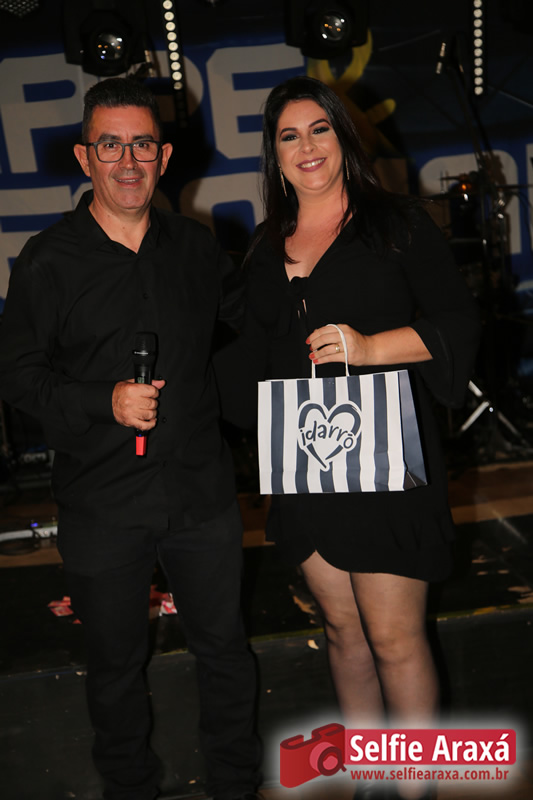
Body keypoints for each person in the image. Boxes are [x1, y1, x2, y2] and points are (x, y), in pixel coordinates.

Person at [0, 78, 261, 800]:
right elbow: (16, 374)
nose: (127, 160)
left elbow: (248, 327)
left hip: (201, 494)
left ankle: (236, 786)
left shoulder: (197, 248)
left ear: (164, 156)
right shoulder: (47, 260)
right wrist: (102, 401)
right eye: (109, 145)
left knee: (225, 652)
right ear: (85, 157)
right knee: (115, 669)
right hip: (102, 503)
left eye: (141, 144)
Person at [226, 76, 481, 800]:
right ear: (274, 154)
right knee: (343, 633)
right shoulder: (263, 247)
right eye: (288, 135)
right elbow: (243, 356)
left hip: (387, 466)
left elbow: (458, 325)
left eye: (319, 129)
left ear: (344, 137)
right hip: (305, 469)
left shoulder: (397, 225)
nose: (306, 147)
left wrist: (370, 348)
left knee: (395, 638)